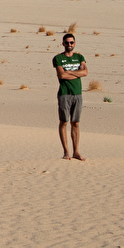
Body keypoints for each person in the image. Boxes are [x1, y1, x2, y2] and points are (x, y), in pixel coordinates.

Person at [53, 32, 87, 160]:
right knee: (63, 122)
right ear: (63, 44)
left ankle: (76, 151)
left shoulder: (79, 57)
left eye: (71, 42)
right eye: (67, 42)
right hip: (64, 94)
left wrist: (70, 72)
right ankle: (66, 151)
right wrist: (77, 73)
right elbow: (61, 75)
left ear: (75, 44)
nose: (69, 45)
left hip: (77, 94)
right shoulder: (58, 58)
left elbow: (85, 72)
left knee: (76, 123)